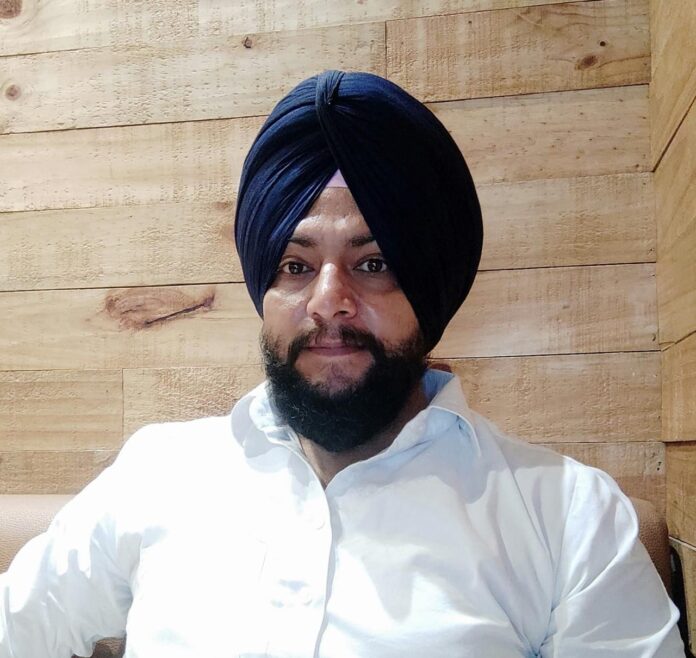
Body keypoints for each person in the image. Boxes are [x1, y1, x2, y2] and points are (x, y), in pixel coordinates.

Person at [0, 70, 684, 657]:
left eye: (374, 263)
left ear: (428, 288)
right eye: (296, 266)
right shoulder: (158, 474)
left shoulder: (569, 518)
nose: (329, 300)